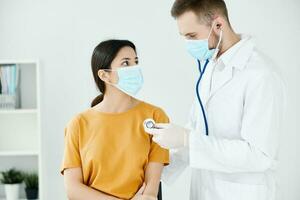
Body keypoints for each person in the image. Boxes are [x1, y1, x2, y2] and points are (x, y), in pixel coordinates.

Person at [144, 0, 285, 200]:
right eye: (184, 37)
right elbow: (196, 131)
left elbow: (259, 155)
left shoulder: (261, 74)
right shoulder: (211, 67)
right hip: (204, 191)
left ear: (218, 25)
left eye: (192, 36)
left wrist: (187, 139)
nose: (189, 44)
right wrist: (156, 173)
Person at [61, 39, 169, 200]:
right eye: (126, 63)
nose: (135, 68)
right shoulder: (78, 124)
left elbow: (150, 191)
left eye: (136, 62)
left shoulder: (155, 116)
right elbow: (73, 189)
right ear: (105, 75)